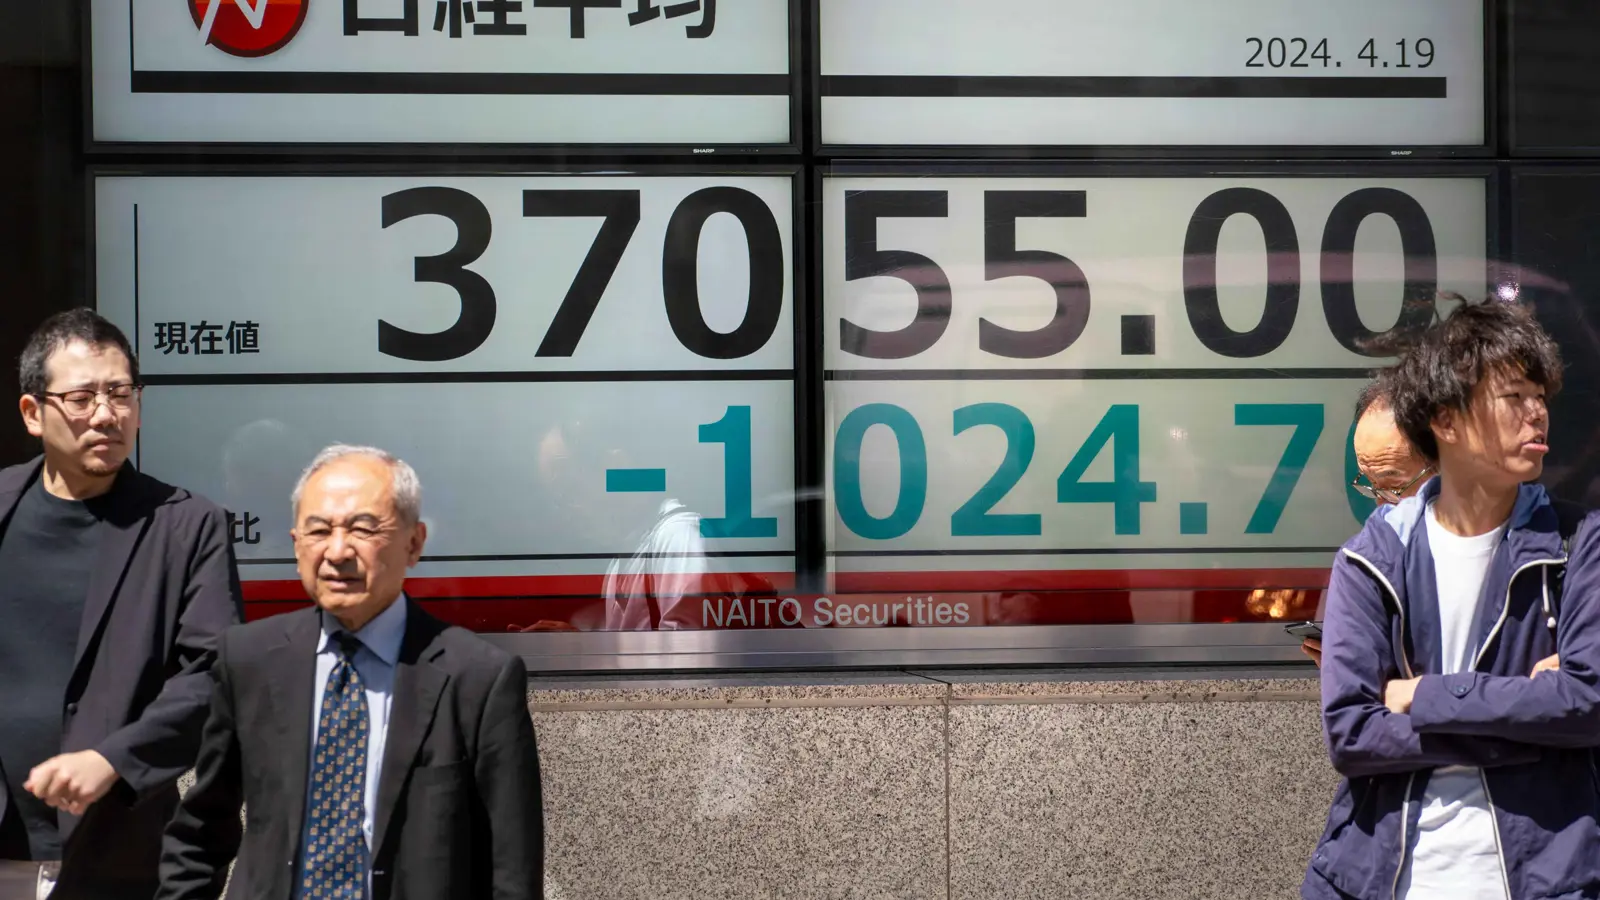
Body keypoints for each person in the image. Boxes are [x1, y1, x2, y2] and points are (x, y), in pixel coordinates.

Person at [1304, 300, 1600, 900]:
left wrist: (1423, 695)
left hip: (1547, 877)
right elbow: (1352, 734)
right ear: (1446, 420)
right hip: (1385, 879)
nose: (1537, 413)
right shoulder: (1370, 559)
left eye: (1540, 395)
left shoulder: (1577, 542)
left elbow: (1586, 703)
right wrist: (1523, 721)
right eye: (1513, 397)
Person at [157, 445, 545, 900]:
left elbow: (512, 871)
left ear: (414, 543)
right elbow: (201, 832)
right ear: (296, 544)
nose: (338, 551)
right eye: (318, 530)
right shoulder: (250, 659)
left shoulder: (478, 678)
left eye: (363, 529)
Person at [0, 308, 243, 899]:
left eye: (121, 393)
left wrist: (114, 759)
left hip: (115, 850)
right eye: (82, 398)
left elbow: (212, 673)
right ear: (33, 413)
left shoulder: (185, 526)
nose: (107, 414)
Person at [1302, 382, 1433, 665]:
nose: (1381, 505)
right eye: (1372, 486)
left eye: (1394, 487)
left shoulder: (1511, 553)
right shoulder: (1362, 563)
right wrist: (1348, 672)